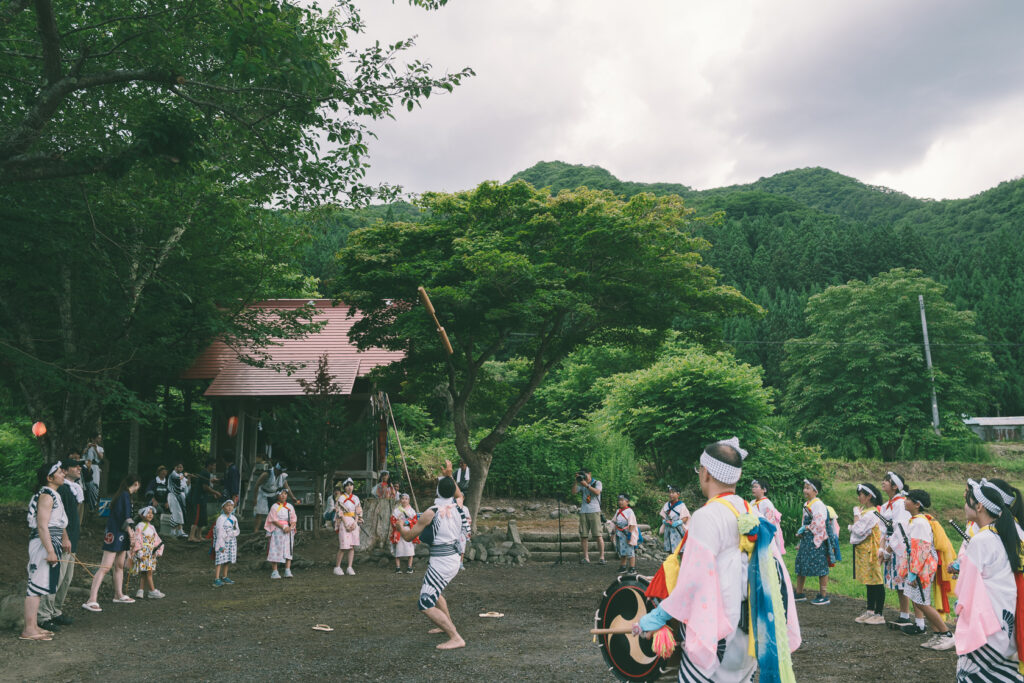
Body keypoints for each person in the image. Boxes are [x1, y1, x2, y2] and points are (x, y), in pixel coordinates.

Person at [634, 437, 801, 682]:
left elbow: (694, 581)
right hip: (751, 633)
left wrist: (658, 615)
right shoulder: (750, 511)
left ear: (706, 473)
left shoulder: (707, 516)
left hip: (718, 633)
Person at [955, 478, 1024, 677]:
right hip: (1004, 616)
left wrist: (960, 609)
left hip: (985, 622)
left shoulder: (981, 540)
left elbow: (966, 588)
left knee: (973, 674)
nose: (964, 503)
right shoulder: (1002, 535)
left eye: (968, 500)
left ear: (979, 506)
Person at [400, 476, 467, 650]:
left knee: (425, 602)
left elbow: (408, 537)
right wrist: (450, 475)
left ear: (437, 491)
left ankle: (455, 637)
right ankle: (445, 624)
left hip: (442, 562)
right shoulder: (458, 505)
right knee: (435, 594)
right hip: (454, 557)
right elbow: (459, 494)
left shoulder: (431, 512)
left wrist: (399, 526)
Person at [897, 489, 956, 649]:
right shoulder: (916, 521)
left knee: (922, 603)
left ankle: (946, 634)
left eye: (908, 499)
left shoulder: (919, 523)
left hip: (922, 569)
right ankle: (937, 634)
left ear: (917, 504)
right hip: (919, 567)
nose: (905, 501)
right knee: (919, 601)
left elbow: (921, 550)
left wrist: (913, 572)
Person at [22, 462, 69, 641]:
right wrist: (50, 550)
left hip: (50, 541)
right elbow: (42, 526)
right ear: (50, 478)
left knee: (40, 586)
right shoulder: (46, 496)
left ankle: (33, 626)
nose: (63, 474)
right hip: (43, 543)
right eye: (59, 472)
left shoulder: (52, 494)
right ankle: (29, 629)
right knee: (35, 586)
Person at [82, 475, 140, 611]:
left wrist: (129, 533)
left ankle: (118, 594)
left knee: (119, 565)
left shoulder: (124, 495)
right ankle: (91, 599)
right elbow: (125, 517)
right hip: (115, 533)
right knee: (105, 566)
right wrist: (131, 534)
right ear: (137, 484)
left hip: (122, 533)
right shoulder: (125, 495)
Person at [38, 458, 81, 632]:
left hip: (70, 541)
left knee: (65, 579)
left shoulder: (66, 489)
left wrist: (69, 538)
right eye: (60, 471)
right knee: (54, 579)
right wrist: (61, 540)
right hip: (57, 542)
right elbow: (46, 523)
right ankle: (44, 616)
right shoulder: (51, 493)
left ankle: (55, 611)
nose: (62, 473)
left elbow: (63, 518)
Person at [879, 470, 914, 628]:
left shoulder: (900, 504)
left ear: (894, 486)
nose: (883, 482)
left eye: (886, 480)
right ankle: (903, 614)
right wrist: (881, 549)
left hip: (899, 546)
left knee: (903, 580)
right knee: (898, 581)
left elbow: (900, 529)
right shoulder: (887, 505)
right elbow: (882, 528)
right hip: (889, 543)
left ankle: (907, 615)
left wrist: (888, 550)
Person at [848, 483, 885, 625]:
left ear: (869, 496)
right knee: (870, 581)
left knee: (876, 581)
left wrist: (856, 516)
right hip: (867, 551)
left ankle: (879, 613)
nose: (859, 497)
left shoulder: (871, 513)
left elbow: (857, 530)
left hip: (872, 551)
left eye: (860, 495)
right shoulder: (870, 512)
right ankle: (870, 611)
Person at [795, 477, 832, 605]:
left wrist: (806, 528)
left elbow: (819, 523)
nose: (805, 490)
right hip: (807, 538)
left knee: (821, 566)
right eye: (804, 488)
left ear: (815, 491)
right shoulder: (807, 504)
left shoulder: (818, 504)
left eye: (808, 488)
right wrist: (802, 535)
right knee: (801, 563)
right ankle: (799, 592)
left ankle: (823, 595)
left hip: (817, 539)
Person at [130, 505, 165, 599]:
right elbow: (137, 538)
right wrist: (139, 551)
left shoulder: (152, 527)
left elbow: (156, 539)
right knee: (149, 572)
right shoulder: (139, 526)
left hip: (151, 552)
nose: (150, 515)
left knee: (144, 572)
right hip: (144, 551)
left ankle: (140, 591)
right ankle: (152, 591)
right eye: (148, 513)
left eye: (151, 513)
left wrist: (159, 548)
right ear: (142, 515)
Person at [572, 468, 605, 565]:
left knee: (598, 535)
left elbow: (597, 492)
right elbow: (573, 492)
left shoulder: (597, 482)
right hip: (584, 511)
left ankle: (602, 557)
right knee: (584, 536)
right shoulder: (581, 483)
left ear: (589, 474)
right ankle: (586, 558)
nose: (584, 476)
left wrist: (586, 485)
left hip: (595, 511)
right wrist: (576, 481)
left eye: (584, 474)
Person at [252, 462, 295, 534]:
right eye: (279, 471)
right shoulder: (266, 474)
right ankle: (255, 531)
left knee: (274, 513)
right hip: (263, 493)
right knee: (259, 512)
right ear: (275, 469)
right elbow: (256, 485)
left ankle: (272, 530)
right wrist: (255, 498)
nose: (279, 473)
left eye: (281, 472)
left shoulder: (282, 476)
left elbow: (286, 487)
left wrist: (293, 497)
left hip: (273, 494)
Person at [186, 459, 221, 542]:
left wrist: (213, 493)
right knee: (197, 517)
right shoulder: (205, 473)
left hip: (203, 498)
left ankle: (199, 535)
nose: (214, 467)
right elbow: (205, 487)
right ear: (209, 465)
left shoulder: (206, 473)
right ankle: (191, 536)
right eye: (214, 465)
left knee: (202, 517)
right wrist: (216, 492)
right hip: (198, 498)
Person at [334, 478, 363, 576]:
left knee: (351, 546)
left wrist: (355, 522)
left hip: (353, 522)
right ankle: (337, 567)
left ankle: (349, 567)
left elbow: (358, 511)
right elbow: (339, 511)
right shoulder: (341, 498)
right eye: (347, 486)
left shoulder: (356, 498)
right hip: (344, 521)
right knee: (343, 546)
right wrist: (346, 523)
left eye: (351, 485)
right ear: (344, 487)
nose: (349, 487)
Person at [265, 489, 296, 579]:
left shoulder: (290, 506)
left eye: (285, 494)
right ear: (277, 496)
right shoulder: (274, 507)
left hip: (288, 530)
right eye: (281, 494)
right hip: (277, 530)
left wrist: (290, 527)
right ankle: (275, 571)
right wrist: (283, 527)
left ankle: (287, 570)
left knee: (288, 549)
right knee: (275, 549)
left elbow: (293, 519)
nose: (283, 495)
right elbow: (273, 520)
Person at [750, 479, 785, 555]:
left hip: (764, 532)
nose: (753, 489)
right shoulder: (752, 503)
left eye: (756, 487)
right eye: (753, 487)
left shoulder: (766, 503)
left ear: (764, 490)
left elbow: (771, 521)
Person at [213, 499, 240, 586]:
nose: (229, 507)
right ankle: (216, 578)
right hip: (222, 541)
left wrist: (232, 533)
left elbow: (237, 529)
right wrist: (221, 543)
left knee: (227, 559)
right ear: (223, 507)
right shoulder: (220, 519)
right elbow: (219, 531)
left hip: (231, 541)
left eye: (231, 506)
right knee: (220, 559)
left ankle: (224, 576)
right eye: (227, 505)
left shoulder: (234, 518)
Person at [391, 492, 419, 573]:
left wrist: (407, 522)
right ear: (400, 500)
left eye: (406, 499)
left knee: (410, 549)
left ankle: (409, 567)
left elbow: (415, 520)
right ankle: (398, 568)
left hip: (409, 530)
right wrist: (398, 523)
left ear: (409, 500)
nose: (404, 500)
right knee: (398, 549)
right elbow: (392, 520)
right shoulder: (396, 510)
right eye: (402, 499)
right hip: (399, 531)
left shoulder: (411, 510)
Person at [613, 493, 639, 574]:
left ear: (627, 502)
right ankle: (623, 566)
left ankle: (632, 567)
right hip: (619, 533)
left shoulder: (630, 512)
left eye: (622, 500)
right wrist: (612, 532)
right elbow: (614, 522)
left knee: (630, 551)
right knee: (622, 550)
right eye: (619, 500)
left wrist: (629, 534)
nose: (620, 502)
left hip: (627, 533)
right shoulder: (618, 511)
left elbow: (632, 524)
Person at [659, 485, 690, 553]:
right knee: (669, 549)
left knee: (680, 549)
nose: (671, 495)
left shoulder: (681, 505)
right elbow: (663, 515)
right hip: (668, 529)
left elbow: (685, 517)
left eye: (673, 493)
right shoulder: (666, 505)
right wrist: (664, 521)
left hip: (677, 530)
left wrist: (678, 522)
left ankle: (681, 559)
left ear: (678, 494)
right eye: (670, 493)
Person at [167, 462, 188, 539]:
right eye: (178, 467)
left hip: (179, 496)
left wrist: (189, 477)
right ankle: (173, 531)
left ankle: (179, 530)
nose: (180, 468)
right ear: (175, 467)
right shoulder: (173, 474)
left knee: (180, 512)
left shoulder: (180, 475)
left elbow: (185, 485)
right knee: (176, 512)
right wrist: (184, 475)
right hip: (173, 495)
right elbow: (178, 478)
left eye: (181, 467)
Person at [83, 433, 104, 510]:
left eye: (100, 438)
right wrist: (87, 447)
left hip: (95, 466)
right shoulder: (87, 446)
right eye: (98, 438)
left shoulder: (100, 448)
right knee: (86, 484)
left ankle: (94, 502)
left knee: (95, 483)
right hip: (87, 465)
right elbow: (82, 455)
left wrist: (95, 449)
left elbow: (101, 457)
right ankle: (86, 500)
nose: (99, 439)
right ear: (93, 438)